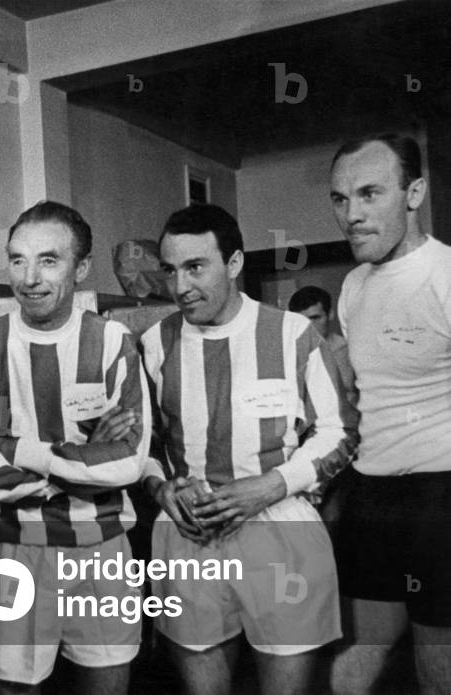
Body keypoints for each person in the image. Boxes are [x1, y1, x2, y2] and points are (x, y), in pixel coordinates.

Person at [140, 204, 357, 695]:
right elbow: (140, 441)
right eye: (170, 270)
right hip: (189, 536)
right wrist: (159, 488)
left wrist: (273, 485)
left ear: (234, 263)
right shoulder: (154, 343)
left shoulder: (293, 334)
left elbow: (341, 430)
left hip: (280, 529)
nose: (180, 286)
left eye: (196, 267)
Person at [0, 201, 151, 695]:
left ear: (81, 268)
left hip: (103, 548)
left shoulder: (113, 341)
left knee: (108, 685)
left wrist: (15, 449)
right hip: (9, 551)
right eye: (18, 260)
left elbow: (129, 461)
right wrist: (87, 455)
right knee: (9, 689)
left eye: (48, 260)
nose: (29, 278)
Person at [327, 134, 451, 695]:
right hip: (372, 492)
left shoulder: (444, 274)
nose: (351, 214)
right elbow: (356, 396)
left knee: (436, 664)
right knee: (361, 653)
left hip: (439, 493)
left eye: (369, 194)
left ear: (414, 193)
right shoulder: (353, 285)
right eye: (340, 198)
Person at [288, 286, 355, 399]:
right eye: (301, 321)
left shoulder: (349, 350)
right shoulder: (286, 356)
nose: (308, 327)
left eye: (315, 318)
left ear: (330, 314)